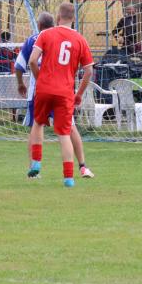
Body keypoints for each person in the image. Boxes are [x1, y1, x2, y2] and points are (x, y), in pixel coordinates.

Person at [15, 11, 92, 180]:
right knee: (68, 129)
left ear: (39, 25)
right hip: (63, 91)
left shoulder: (34, 39)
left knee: (36, 126)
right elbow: (88, 70)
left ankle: (34, 168)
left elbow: (20, 65)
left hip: (40, 91)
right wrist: (78, 93)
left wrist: (22, 83)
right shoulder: (73, 38)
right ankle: (81, 167)